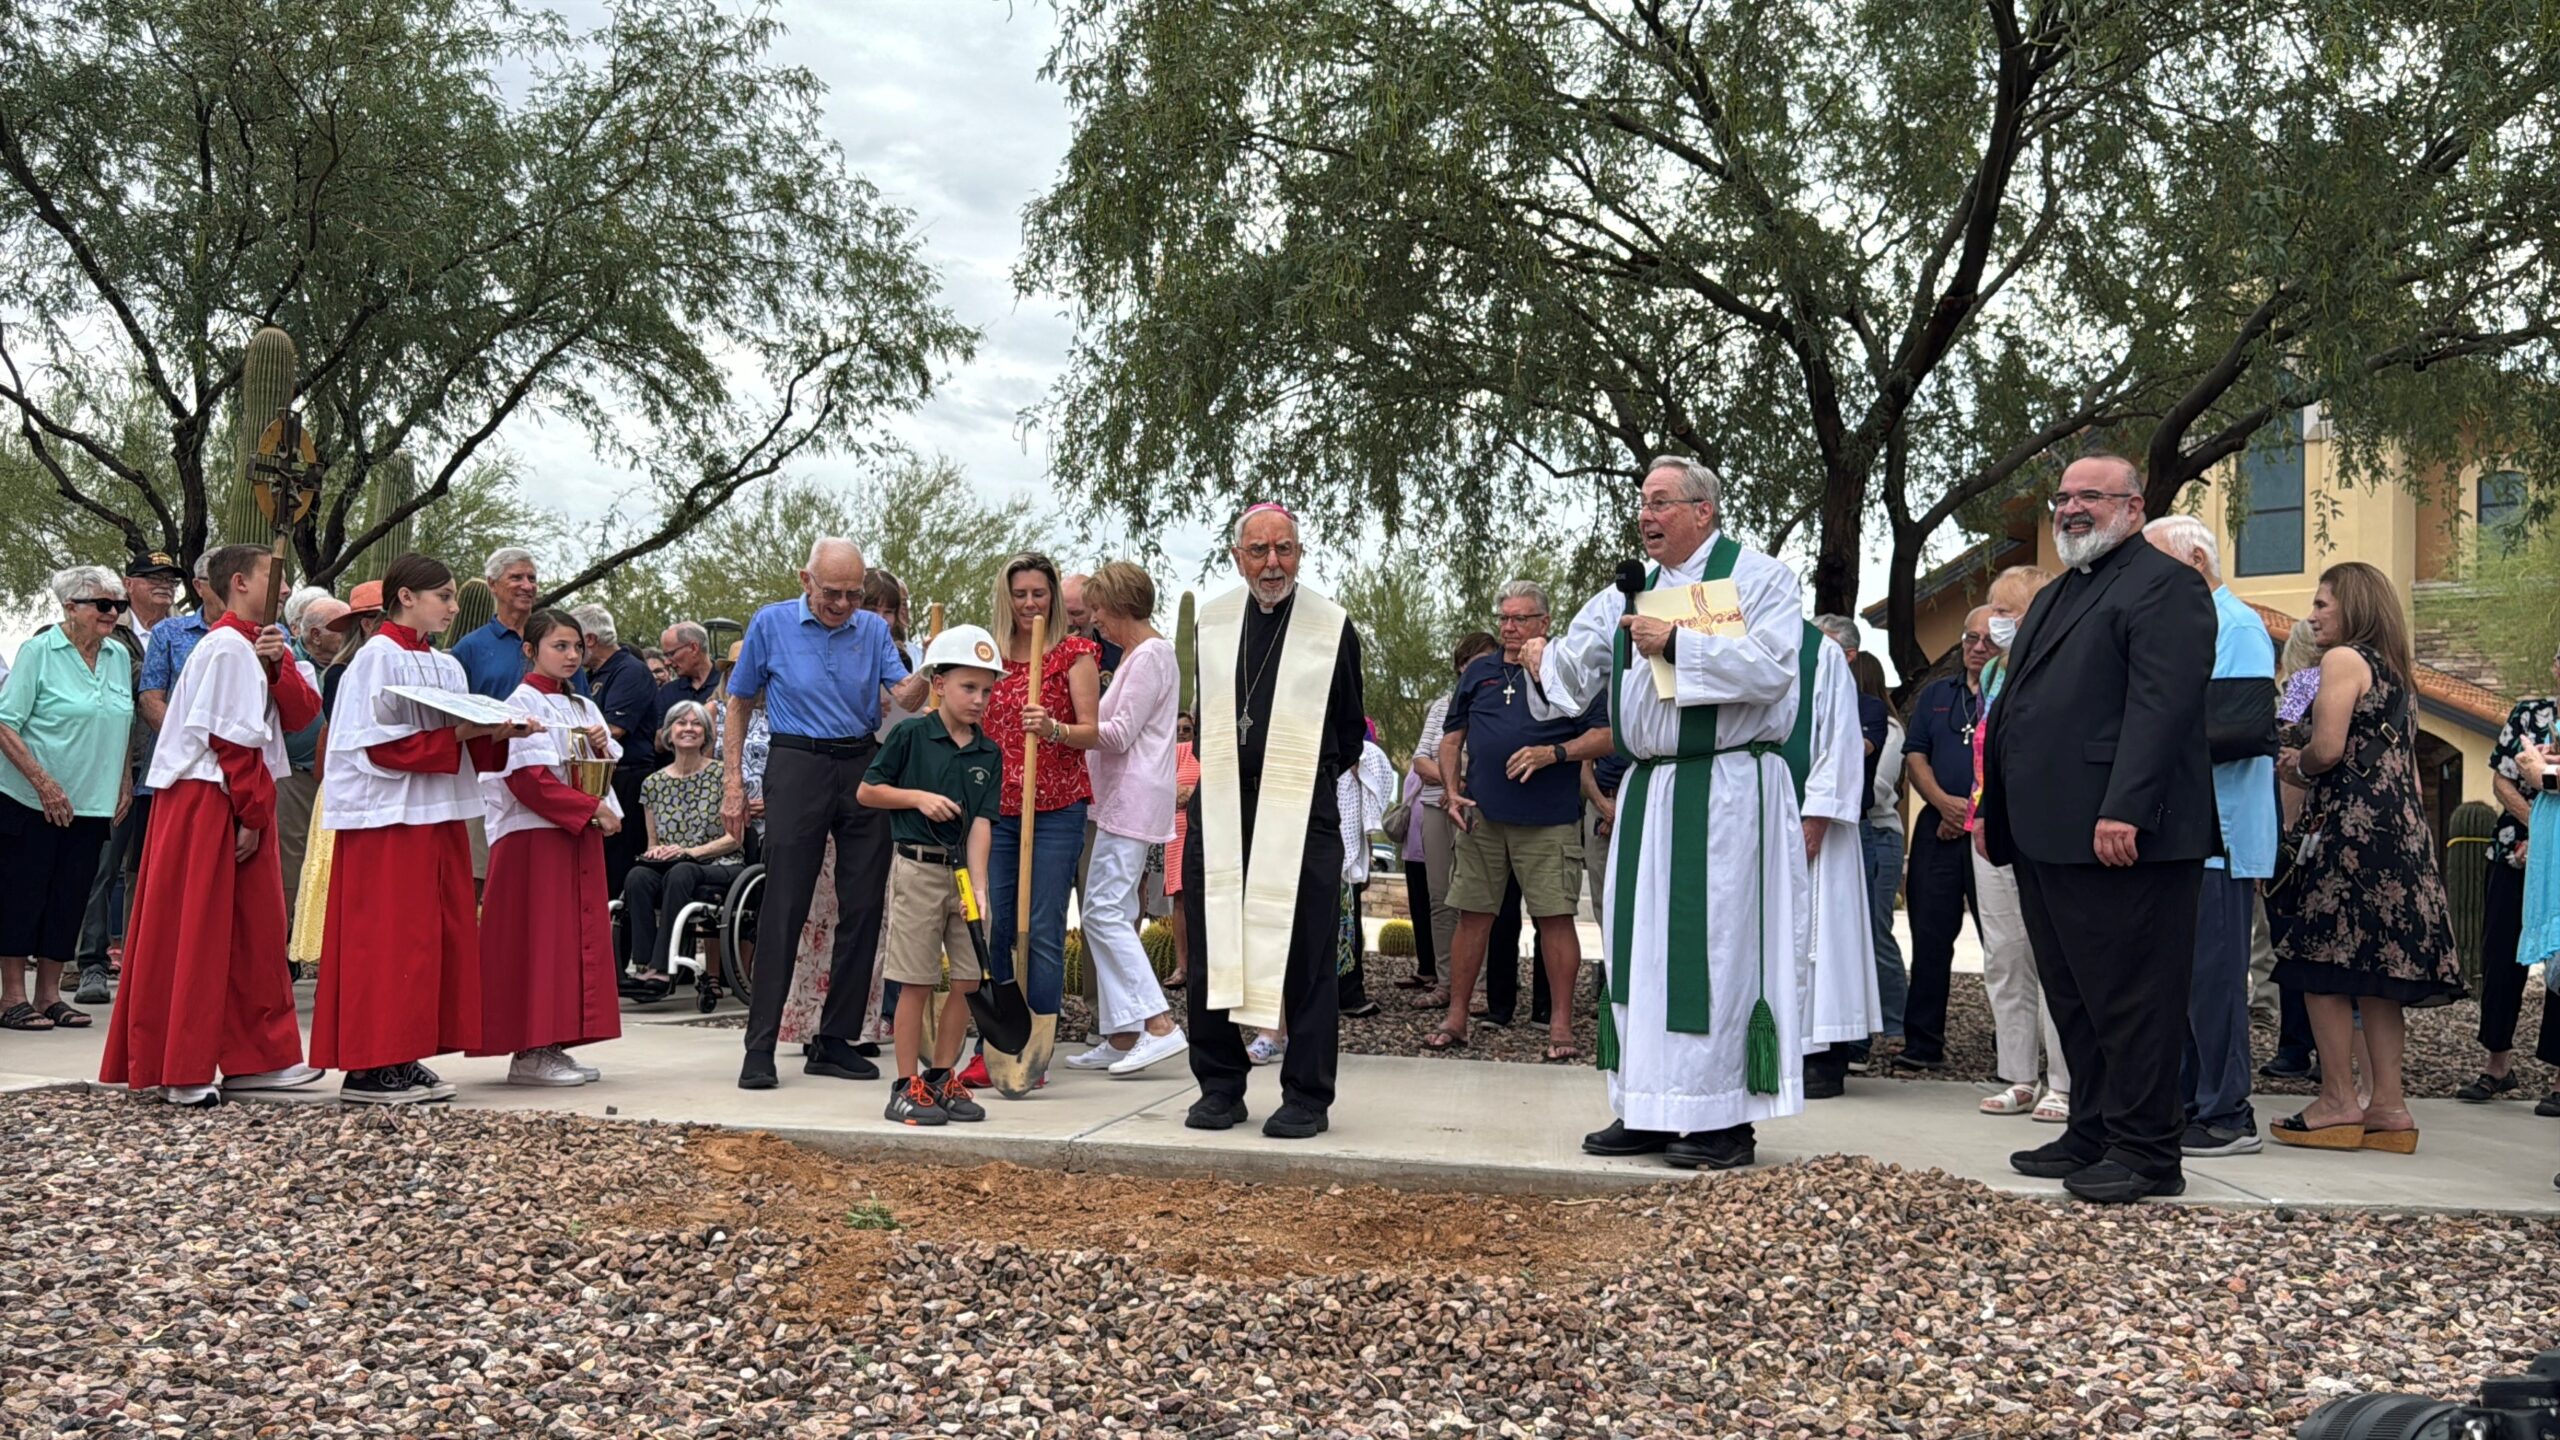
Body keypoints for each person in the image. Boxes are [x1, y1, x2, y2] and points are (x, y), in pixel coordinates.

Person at [1517, 456, 1808, 1172]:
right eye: (1642, 503)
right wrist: (1538, 657)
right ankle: (1648, 1104)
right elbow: (1571, 675)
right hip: (1649, 792)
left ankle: (1719, 1120)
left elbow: (1773, 673)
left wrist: (1679, 642)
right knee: (1641, 951)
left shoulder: (1762, 579)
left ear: (1703, 511)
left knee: (1714, 951)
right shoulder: (1631, 589)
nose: (1646, 515)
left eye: (1661, 502)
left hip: (1727, 790)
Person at [1981, 454, 2216, 1205]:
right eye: (2065, 497)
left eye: (2092, 496)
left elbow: (2161, 709)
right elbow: (2013, 711)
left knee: (2133, 996)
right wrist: (1995, 805)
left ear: (2134, 508)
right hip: (2048, 830)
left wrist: (2126, 806)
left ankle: (2148, 1150)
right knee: (2075, 993)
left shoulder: (2167, 587)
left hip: (2123, 833)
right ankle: (2093, 1127)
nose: (2072, 508)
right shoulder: (2057, 595)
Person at [100, 544, 324, 1103]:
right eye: (276, 578)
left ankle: (256, 1055)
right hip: (211, 797)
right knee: (199, 931)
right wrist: (251, 813)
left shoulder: (259, 645)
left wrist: (280, 666)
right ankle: (184, 1065)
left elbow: (299, 718)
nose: (287, 589)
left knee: (252, 933)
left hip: (234, 793)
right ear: (242, 583)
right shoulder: (226, 647)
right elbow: (230, 738)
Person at [312, 553, 539, 1104]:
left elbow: (462, 742)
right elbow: (371, 744)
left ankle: (407, 1051)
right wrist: (458, 736)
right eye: (444, 596)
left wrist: (499, 730)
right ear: (406, 597)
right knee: (387, 939)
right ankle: (369, 1063)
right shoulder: (375, 658)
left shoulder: (446, 664)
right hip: (386, 817)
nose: (454, 608)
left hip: (437, 812)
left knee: (431, 938)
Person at [2267, 562, 2464, 1154]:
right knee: (2379, 978)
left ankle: (2335, 1102)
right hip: (2400, 838)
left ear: (2351, 608)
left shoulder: (2332, 667)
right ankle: (2388, 1107)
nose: (2311, 616)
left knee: (2319, 966)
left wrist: (2293, 769)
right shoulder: (2398, 675)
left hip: (2346, 835)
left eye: (2322, 605)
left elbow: (2313, 747)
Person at [1182, 503, 1366, 1139]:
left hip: (1299, 806)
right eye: (1258, 551)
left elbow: (1349, 731)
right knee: (1212, 945)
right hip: (1223, 805)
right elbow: (1209, 717)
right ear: (1238, 557)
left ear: (1299, 554)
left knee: (1306, 953)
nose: (1272, 564)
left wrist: (1293, 778)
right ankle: (1221, 1087)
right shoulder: (1214, 622)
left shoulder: (1330, 626)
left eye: (1283, 549)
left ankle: (1307, 1097)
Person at [721, 537, 928, 1090]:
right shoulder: (770, 623)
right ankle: (759, 1045)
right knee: (785, 902)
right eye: (832, 592)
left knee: (863, 906)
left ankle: (834, 1041)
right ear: (805, 580)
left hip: (861, 762)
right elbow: (739, 702)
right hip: (797, 760)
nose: (842, 604)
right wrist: (733, 782)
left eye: (854, 594)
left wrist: (937, 668)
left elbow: (905, 698)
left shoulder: (873, 629)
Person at [2143, 516, 2279, 1159]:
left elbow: (2241, 728)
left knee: (2215, 978)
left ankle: (2228, 1112)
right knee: (2186, 978)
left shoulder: (2237, 626)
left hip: (2220, 832)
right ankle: (2193, 1101)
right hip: (2185, 832)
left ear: (2196, 558)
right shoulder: (2187, 627)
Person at [1429, 581, 1608, 1062]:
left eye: (1521, 619)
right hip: (1483, 817)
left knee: (1555, 919)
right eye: (1504, 618)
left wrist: (1555, 753)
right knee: (1473, 917)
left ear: (1545, 623)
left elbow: (1608, 736)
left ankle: (1561, 1027)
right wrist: (1450, 791)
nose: (1510, 627)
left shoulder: (1568, 671)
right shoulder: (1480, 673)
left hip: (1549, 821)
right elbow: (1451, 738)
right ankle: (1457, 1017)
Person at [1039, 561, 1189, 1075]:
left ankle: (1159, 1023)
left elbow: (1120, 733)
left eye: (1099, 608)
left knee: (1103, 910)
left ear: (1121, 606)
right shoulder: (1140, 656)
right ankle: (1124, 1033)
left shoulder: (1150, 656)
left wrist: (1059, 729)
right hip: (1122, 799)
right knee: (1112, 909)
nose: (1095, 619)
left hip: (1132, 799)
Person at [858, 624, 1006, 1125]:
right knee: (915, 980)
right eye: (969, 687)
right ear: (938, 683)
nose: (979, 700)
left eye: (987, 690)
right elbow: (868, 791)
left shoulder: (989, 752)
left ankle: (943, 1076)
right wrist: (917, 797)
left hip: (962, 874)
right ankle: (906, 1084)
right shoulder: (910, 735)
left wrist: (980, 887)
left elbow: (983, 823)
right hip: (917, 868)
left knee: (968, 977)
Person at [965, 550, 1102, 1092]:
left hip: (1057, 807)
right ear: (1007, 596)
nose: (1029, 603)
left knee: (1042, 929)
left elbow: (1092, 731)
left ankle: (1035, 1045)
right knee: (993, 924)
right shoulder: (990, 656)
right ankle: (994, 1041)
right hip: (996, 810)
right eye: (1020, 594)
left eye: (1038, 593)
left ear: (1052, 598)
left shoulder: (1074, 654)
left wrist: (1053, 729)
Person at [472, 608, 624, 1086]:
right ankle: (530, 1047)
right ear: (530, 650)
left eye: (577, 647)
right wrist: (589, 809)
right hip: (534, 838)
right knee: (537, 942)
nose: (572, 656)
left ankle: (555, 1041)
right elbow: (526, 779)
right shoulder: (520, 705)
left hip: (570, 833)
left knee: (570, 941)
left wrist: (600, 753)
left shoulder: (581, 705)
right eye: (560, 646)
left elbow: (597, 767)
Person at [0, 566, 138, 1032]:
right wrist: (44, 783)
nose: (113, 613)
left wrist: (122, 781)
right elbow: (4, 723)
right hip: (31, 799)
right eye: (103, 604)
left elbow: (120, 721)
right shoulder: (39, 651)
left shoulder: (118, 655)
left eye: (118, 605)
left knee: (69, 898)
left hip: (93, 800)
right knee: (24, 893)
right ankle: (12, 997)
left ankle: (50, 996)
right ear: (70, 607)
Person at [1967, 567, 2072, 1124]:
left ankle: (2064, 1080)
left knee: (2050, 955)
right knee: (2004, 955)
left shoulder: (2055, 667)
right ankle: (2018, 1076)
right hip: (1989, 823)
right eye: (1993, 609)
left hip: (2042, 825)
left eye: (2007, 612)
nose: (1995, 622)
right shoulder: (1991, 675)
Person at [2466, 647, 2560, 1110]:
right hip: (2515, 850)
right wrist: (2535, 830)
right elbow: (2502, 779)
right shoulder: (2530, 714)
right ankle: (2496, 1065)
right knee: (2501, 954)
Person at [1895, 607, 1989, 1070]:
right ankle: (1922, 1045)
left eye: (1989, 640)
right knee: (1930, 938)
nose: (1977, 648)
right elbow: (1915, 756)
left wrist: (1969, 812)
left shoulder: (2010, 694)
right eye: (1971, 638)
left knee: (2004, 944)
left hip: (1991, 828)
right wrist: (1943, 805)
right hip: (1938, 827)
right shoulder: (1936, 694)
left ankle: (2010, 1052)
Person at [1797, 618, 1879, 1100]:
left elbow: (1842, 743)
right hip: (1758, 820)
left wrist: (1819, 815)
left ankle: (1824, 1057)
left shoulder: (1822, 658)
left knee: (1820, 938)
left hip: (1816, 828)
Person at [621, 700, 744, 984]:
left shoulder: (723, 776)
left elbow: (733, 839)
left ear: (706, 734)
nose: (688, 728)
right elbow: (653, 842)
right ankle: (643, 964)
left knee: (681, 871)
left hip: (720, 862)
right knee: (638, 876)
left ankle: (663, 968)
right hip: (674, 865)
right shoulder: (653, 783)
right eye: (681, 722)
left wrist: (688, 852)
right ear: (669, 732)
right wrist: (658, 851)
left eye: (696, 723)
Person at [1409, 633, 1498, 1001]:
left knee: (1478, 899)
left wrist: (1459, 783)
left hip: (1478, 810)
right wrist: (1450, 783)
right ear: (1460, 667)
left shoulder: (1498, 705)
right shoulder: (1442, 706)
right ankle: (1445, 983)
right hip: (1436, 806)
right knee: (1440, 897)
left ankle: (1479, 986)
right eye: (1470, 663)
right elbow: (1419, 759)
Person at [571, 603, 657, 893]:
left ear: (591, 640)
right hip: (599, 777)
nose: (571, 652)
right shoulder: (593, 675)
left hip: (627, 777)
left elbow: (614, 730)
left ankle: (622, 933)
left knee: (619, 864)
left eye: (574, 643)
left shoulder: (630, 671)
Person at [1850, 649, 1908, 1067]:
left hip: (1877, 830)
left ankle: (1893, 1024)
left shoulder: (1887, 727)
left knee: (1875, 931)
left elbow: (1881, 786)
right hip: (1850, 831)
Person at [275, 586, 342, 936]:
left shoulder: (352, 662)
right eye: (340, 626)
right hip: (295, 778)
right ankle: (284, 943)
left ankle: (322, 942)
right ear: (314, 634)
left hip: (340, 780)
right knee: (291, 864)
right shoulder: (285, 661)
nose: (351, 631)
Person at [1337, 717, 1397, 1018]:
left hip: (1347, 845)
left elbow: (1372, 783)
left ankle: (1348, 990)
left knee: (1348, 919)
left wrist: (1367, 855)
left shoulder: (1362, 739)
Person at [449, 547, 547, 699]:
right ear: (492, 584)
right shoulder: (470, 648)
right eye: (516, 578)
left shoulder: (555, 641)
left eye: (532, 579)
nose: (527, 586)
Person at [1165, 711, 1199, 989]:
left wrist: (1190, 792)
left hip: (1202, 827)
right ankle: (1183, 966)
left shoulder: (1204, 752)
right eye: (1179, 728)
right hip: (1177, 829)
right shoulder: (1174, 753)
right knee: (1179, 898)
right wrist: (1181, 791)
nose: (1182, 732)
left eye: (1188, 728)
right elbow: (1166, 784)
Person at [657, 621, 721, 716]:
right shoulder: (668, 692)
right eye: (665, 656)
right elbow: (661, 730)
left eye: (671, 654)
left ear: (694, 648)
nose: (667, 662)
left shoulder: (728, 685)